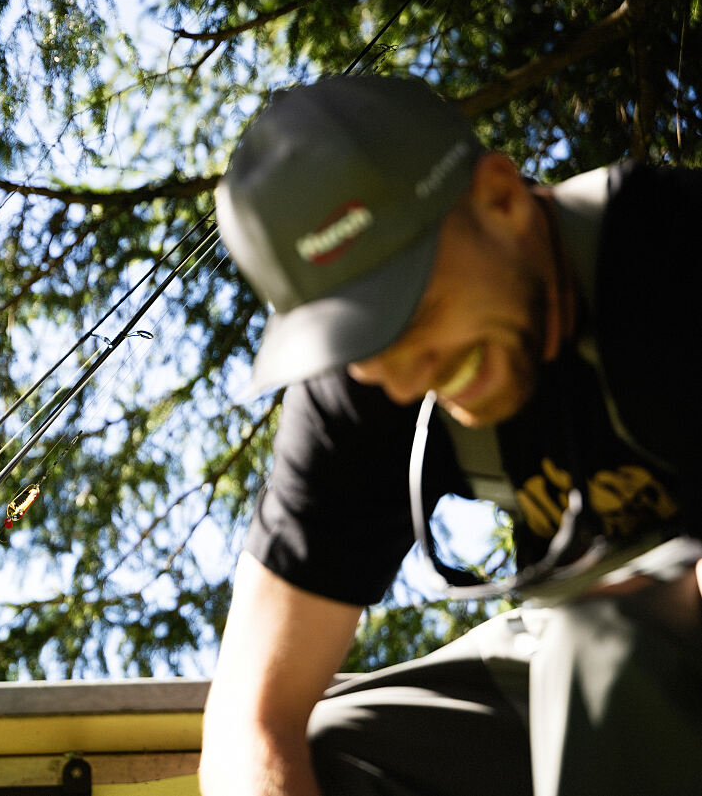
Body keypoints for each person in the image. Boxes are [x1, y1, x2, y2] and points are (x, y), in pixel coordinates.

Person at [200, 74, 702, 796]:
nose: (405, 380)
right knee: (335, 751)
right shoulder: (363, 388)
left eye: (412, 308)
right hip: (580, 668)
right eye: (361, 341)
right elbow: (248, 720)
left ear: (499, 199)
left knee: (606, 650)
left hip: (632, 659)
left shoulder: (672, 255)